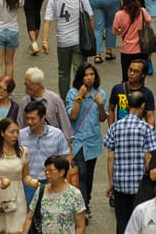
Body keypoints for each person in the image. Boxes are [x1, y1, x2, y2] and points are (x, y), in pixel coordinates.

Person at [103, 89, 156, 234]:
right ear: (143, 106)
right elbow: (149, 158)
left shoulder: (115, 127)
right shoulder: (147, 128)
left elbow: (110, 157)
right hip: (140, 186)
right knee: (140, 223)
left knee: (122, 222)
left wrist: (111, 183)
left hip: (120, 184)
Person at [41, 0, 94, 87]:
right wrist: (91, 37)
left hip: (62, 41)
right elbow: (90, 18)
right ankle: (78, 99)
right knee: (79, 72)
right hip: (78, 41)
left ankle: (64, 101)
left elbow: (47, 20)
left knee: (63, 73)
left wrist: (44, 41)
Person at [65, 61, 108, 208]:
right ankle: (82, 206)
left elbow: (102, 118)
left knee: (89, 175)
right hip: (78, 141)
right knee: (81, 174)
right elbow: (73, 116)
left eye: (92, 75)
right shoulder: (72, 93)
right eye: (86, 75)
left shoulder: (100, 94)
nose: (89, 78)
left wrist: (101, 105)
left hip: (93, 141)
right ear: (80, 77)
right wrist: (79, 97)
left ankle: (86, 200)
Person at [0, 117, 32, 234]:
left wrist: (34, 182)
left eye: (17, 132)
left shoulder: (23, 152)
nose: (15, 135)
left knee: (16, 231)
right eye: (11, 132)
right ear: (2, 133)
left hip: (17, 196)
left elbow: (26, 176)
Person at [20, 99, 71, 206]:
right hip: (30, 183)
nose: (29, 122)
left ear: (43, 117)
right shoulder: (21, 136)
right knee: (30, 216)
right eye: (27, 118)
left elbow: (65, 159)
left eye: (33, 119)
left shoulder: (57, 135)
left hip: (52, 183)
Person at [25, 154, 87, 234]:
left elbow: (80, 226)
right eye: (45, 170)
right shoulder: (41, 191)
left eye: (50, 170)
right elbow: (29, 218)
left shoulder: (75, 194)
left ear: (62, 172)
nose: (46, 173)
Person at [20, 66, 74, 139]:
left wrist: (69, 143)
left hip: (53, 142)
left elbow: (64, 124)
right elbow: (20, 125)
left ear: (37, 85)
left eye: (27, 84)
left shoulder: (55, 99)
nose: (25, 87)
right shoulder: (24, 102)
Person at [112, 0, 152, 86]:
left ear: (122, 0)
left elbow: (114, 31)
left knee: (127, 80)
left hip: (127, 51)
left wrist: (121, 31)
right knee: (140, 79)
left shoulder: (119, 15)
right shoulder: (142, 11)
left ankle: (127, 98)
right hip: (142, 51)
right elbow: (149, 22)